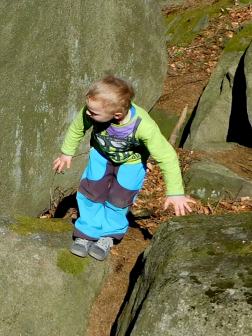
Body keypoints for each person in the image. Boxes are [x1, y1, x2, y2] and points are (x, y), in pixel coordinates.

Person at [53, 76, 197, 261]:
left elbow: (167, 157)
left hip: (132, 163)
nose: (88, 114)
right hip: (101, 155)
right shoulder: (93, 111)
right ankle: (86, 231)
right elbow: (77, 128)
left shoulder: (144, 126)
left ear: (117, 115)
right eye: (88, 109)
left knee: (120, 198)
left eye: (93, 113)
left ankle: (108, 234)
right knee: (91, 191)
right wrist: (67, 152)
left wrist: (175, 192)